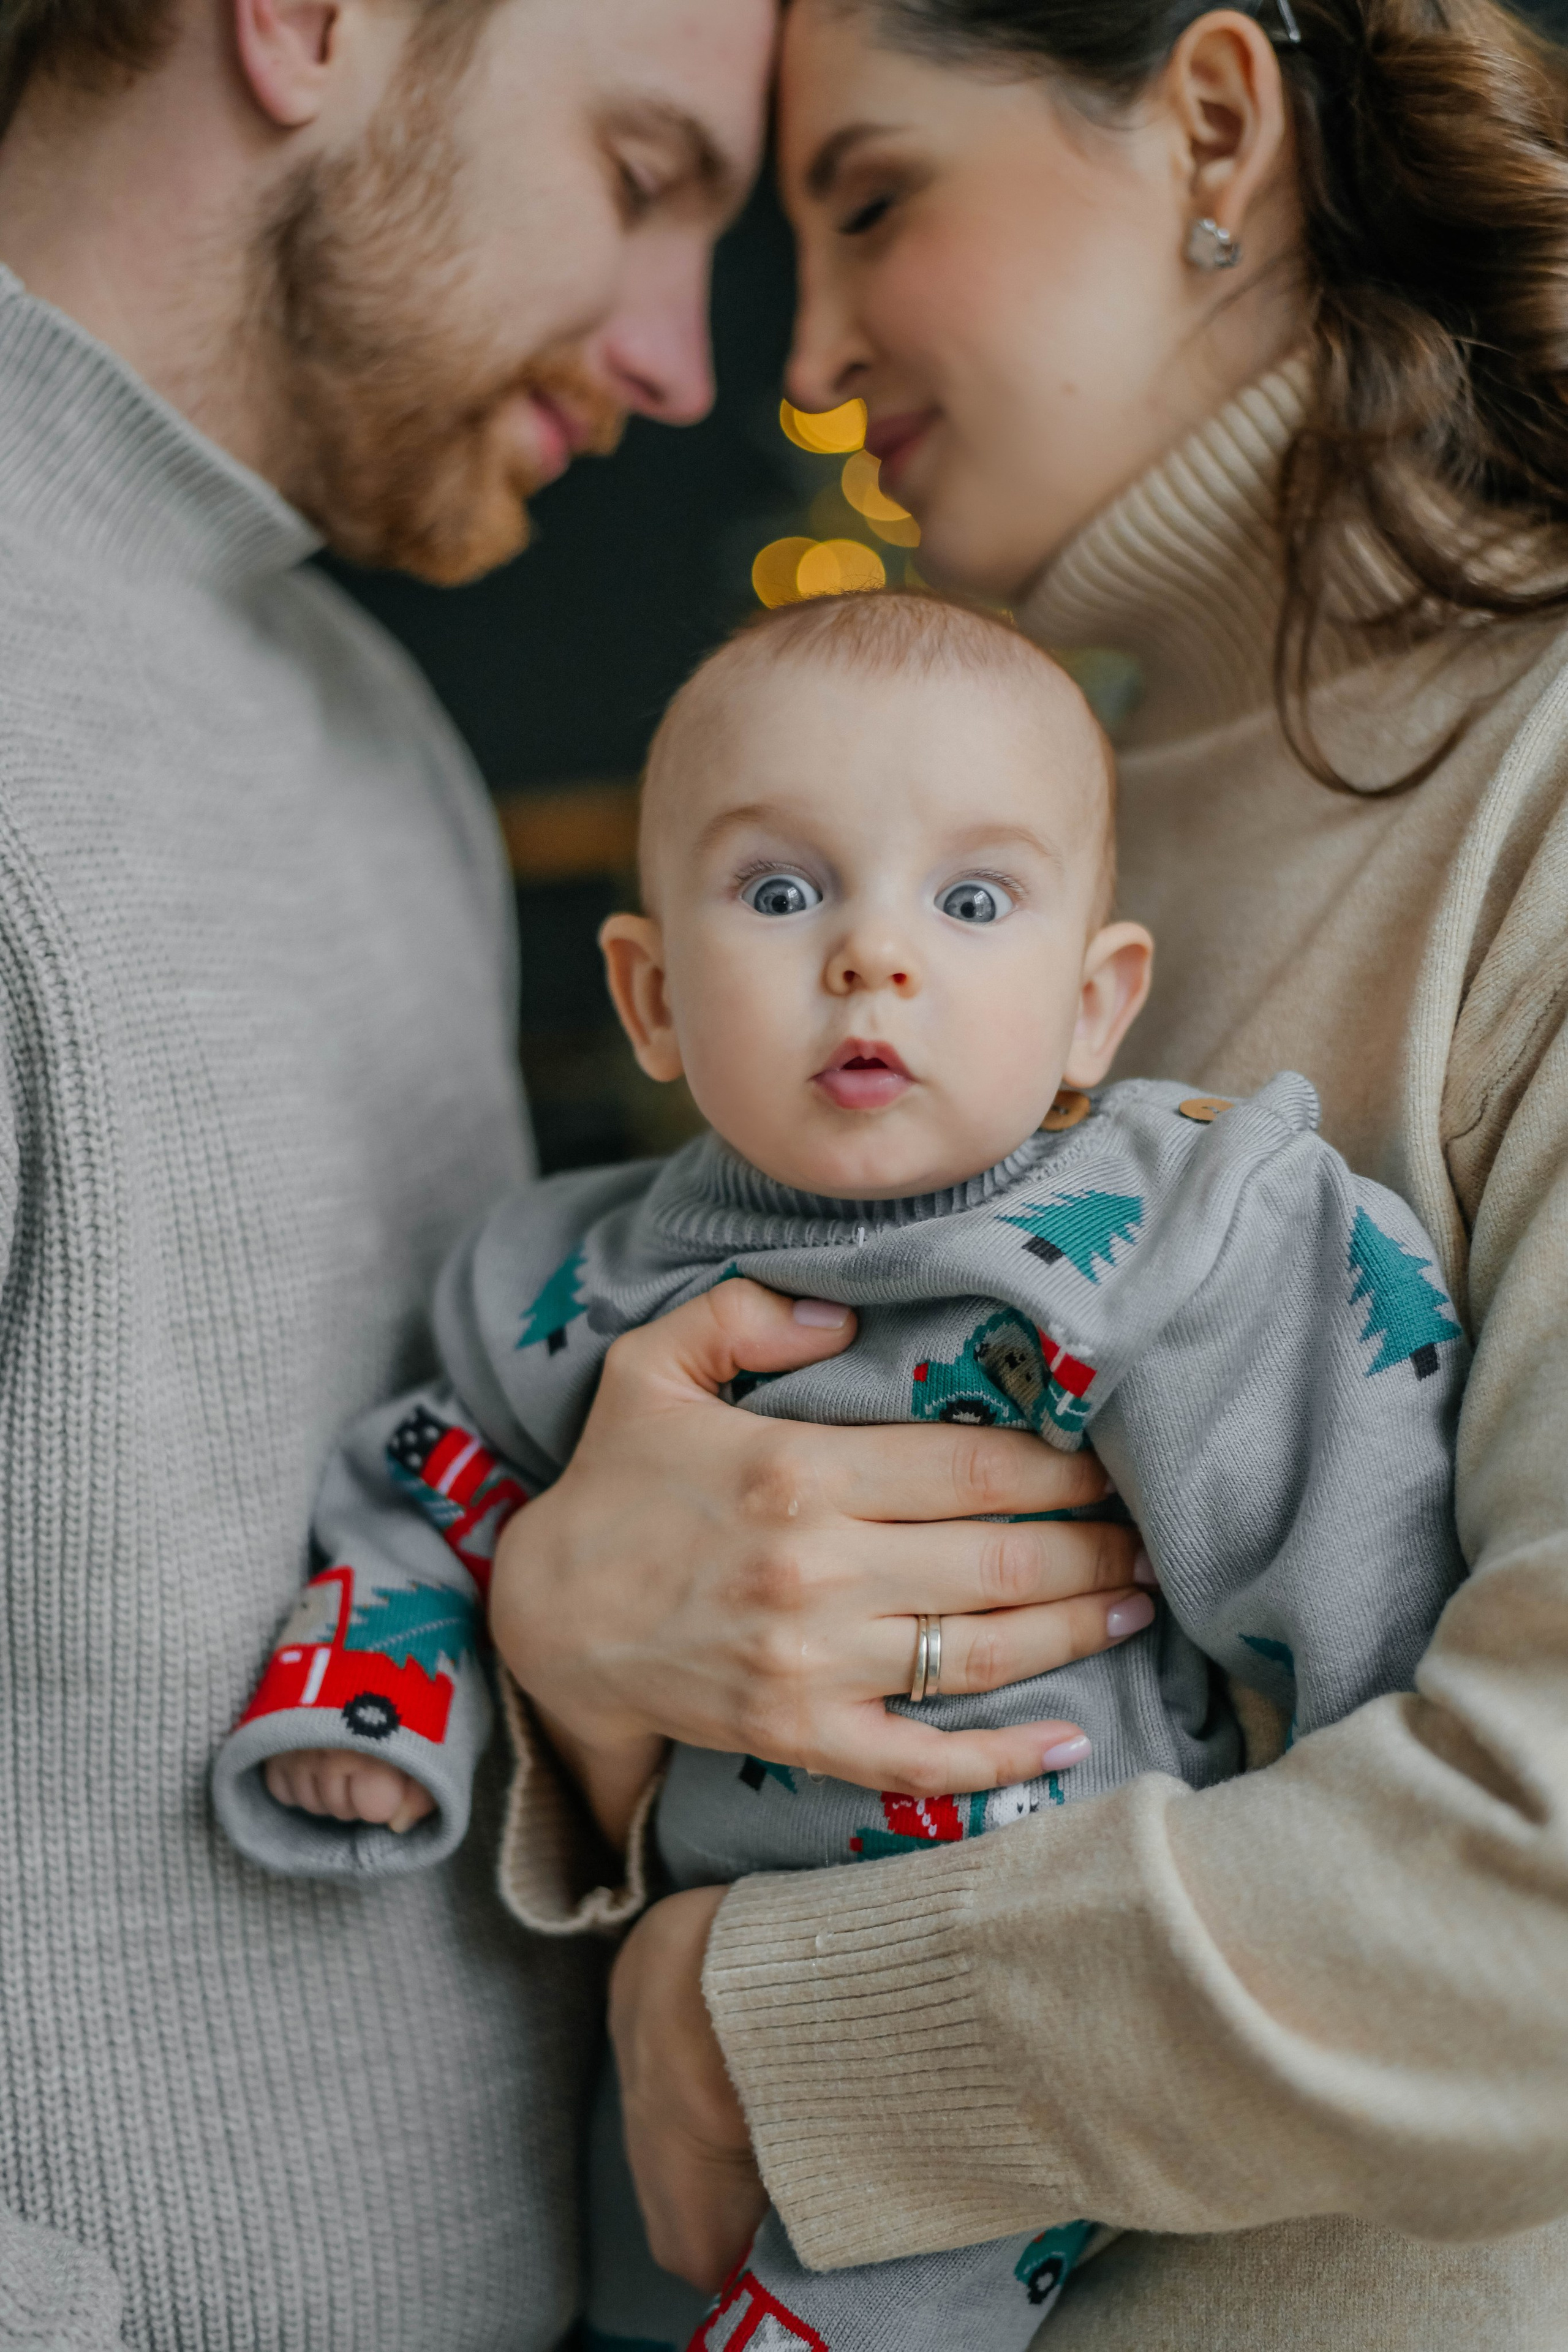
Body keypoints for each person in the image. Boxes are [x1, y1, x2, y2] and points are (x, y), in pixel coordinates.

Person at [0, 1, 1158, 2342]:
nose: (679, 363)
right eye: (644, 180)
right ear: (311, 22)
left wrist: (573, 1660)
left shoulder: (376, 739)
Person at [488, 3, 1568, 2346]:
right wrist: (574, 1646)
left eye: (871, 205)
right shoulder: (943, 826)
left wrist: (762, 2020)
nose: (816, 353)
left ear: (1210, 121)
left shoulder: (1537, 799)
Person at [217, 587, 1468, 2352]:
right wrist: (374, 1703)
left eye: (971, 902)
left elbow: (1342, 1533)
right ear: (651, 999)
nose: (875, 957)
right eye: (784, 892)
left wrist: (1369, 1791)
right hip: (683, 2043)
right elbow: (430, 1490)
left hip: (1018, 1982)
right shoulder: (561, 1279)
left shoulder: (1161, 1244)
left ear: (1096, 1004)